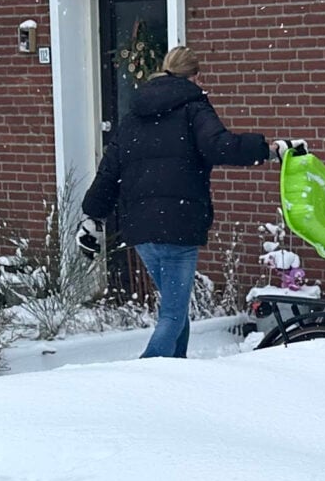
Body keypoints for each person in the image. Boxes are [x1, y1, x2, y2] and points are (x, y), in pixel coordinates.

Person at [77, 45, 297, 359]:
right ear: (196, 76)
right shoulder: (194, 106)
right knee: (173, 315)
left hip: (141, 229)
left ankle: (175, 375)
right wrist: (269, 149)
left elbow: (110, 168)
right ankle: (137, 378)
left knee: (174, 310)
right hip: (178, 224)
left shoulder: (134, 114)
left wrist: (92, 214)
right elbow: (220, 147)